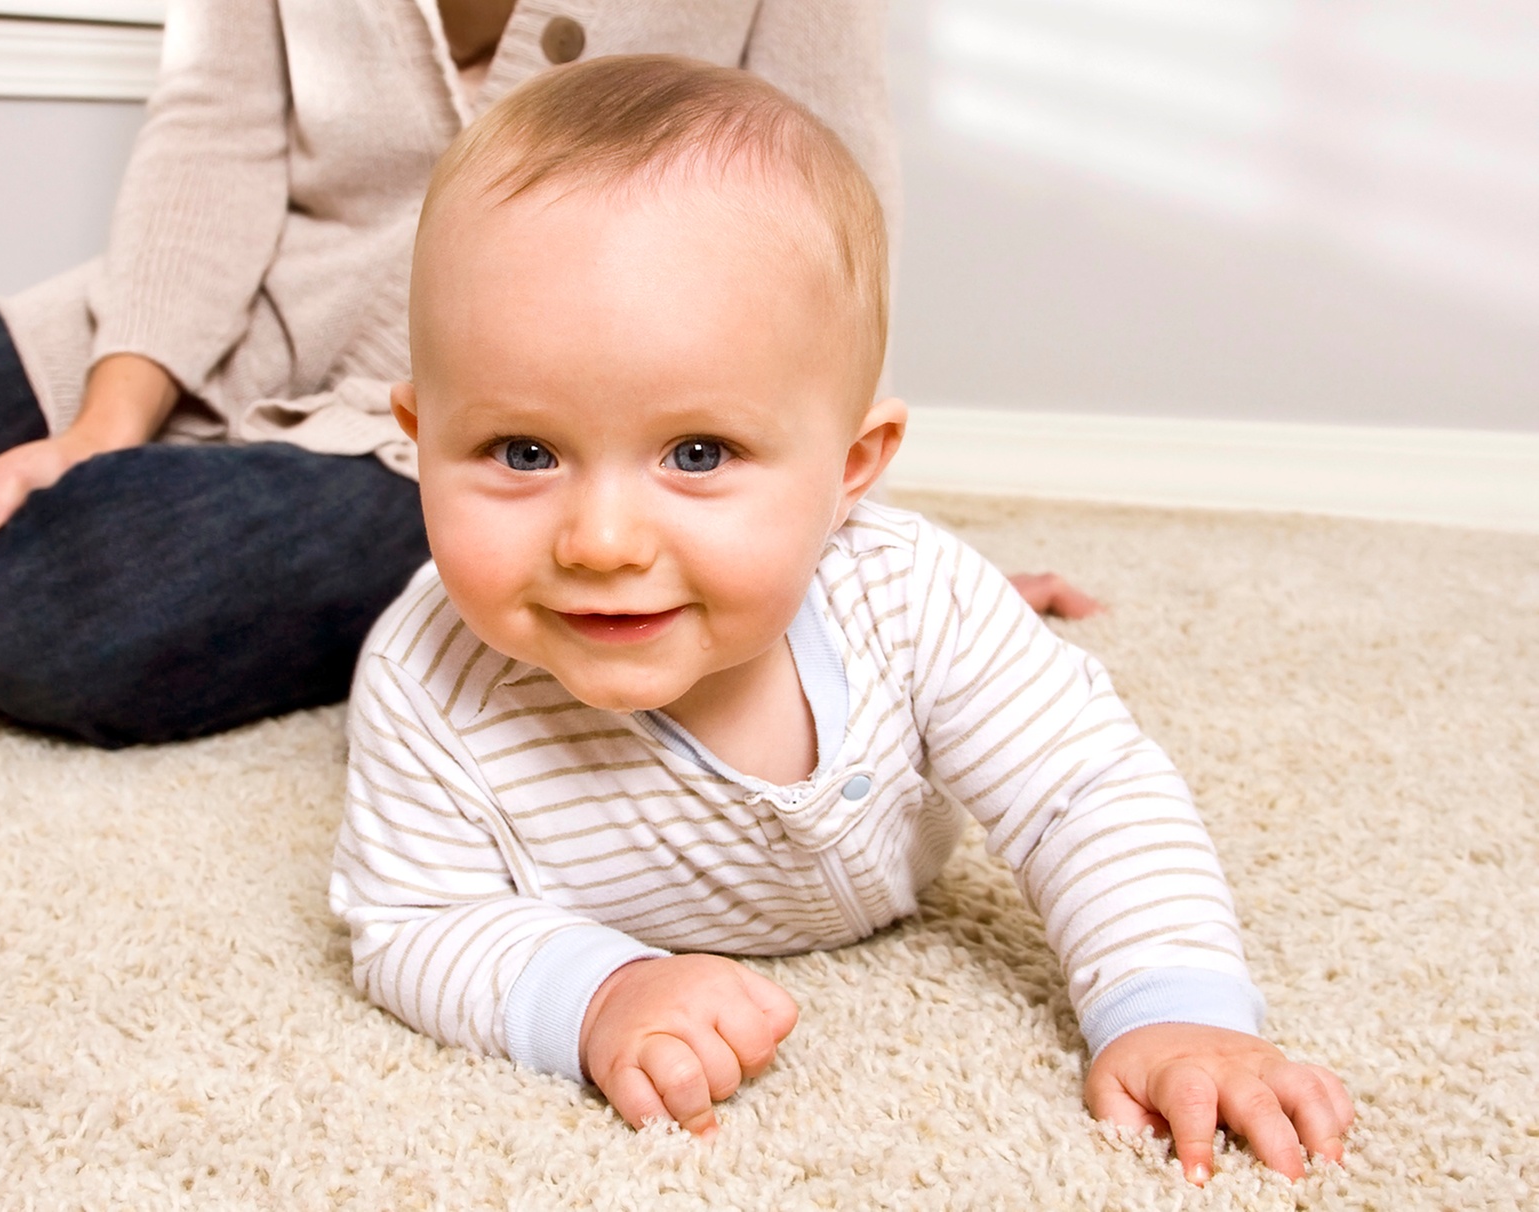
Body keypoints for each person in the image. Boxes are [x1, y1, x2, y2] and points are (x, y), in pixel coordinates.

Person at [328, 56, 1352, 1184]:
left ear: (850, 468)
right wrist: (596, 990)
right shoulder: (428, 679)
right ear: (421, 443)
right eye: (522, 452)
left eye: (698, 454)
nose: (601, 541)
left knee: (996, 673)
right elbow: (413, 921)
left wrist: (1175, 1005)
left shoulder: (910, 598)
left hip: (895, 625)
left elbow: (1084, 792)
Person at [0, 0, 1096, 748]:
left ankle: (112, 565)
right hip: (209, 324)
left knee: (54, 611)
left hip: (485, 435)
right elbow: (213, 136)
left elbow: (830, 223)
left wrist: (825, 527)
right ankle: (69, 519)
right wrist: (101, 422)